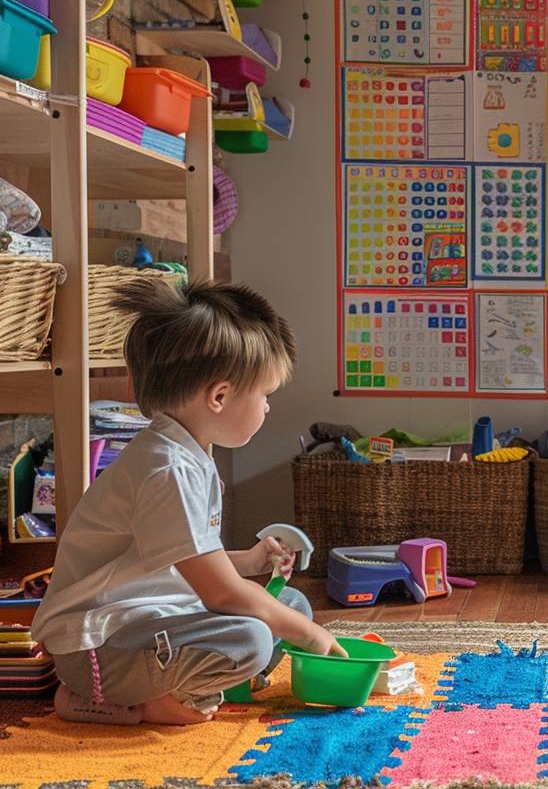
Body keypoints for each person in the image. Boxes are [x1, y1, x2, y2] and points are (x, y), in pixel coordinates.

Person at [32, 279, 346, 726]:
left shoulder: (185, 456)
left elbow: (183, 562)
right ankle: (115, 701)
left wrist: (250, 560)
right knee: (257, 635)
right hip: (99, 647)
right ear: (219, 396)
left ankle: (199, 682)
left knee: (289, 605)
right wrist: (311, 637)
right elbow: (216, 590)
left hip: (147, 622)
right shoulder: (168, 470)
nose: (268, 409)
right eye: (266, 396)